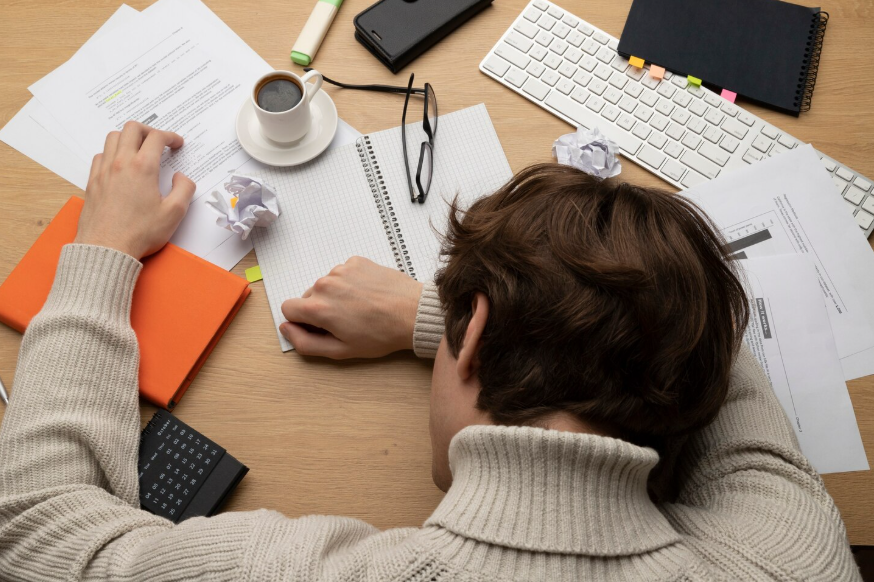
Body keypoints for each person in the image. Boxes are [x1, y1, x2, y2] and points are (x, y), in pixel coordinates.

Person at [0, 122, 860, 581]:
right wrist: (454, 315)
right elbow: (711, 336)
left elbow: (34, 532)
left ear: (471, 335)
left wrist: (102, 251)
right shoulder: (787, 563)